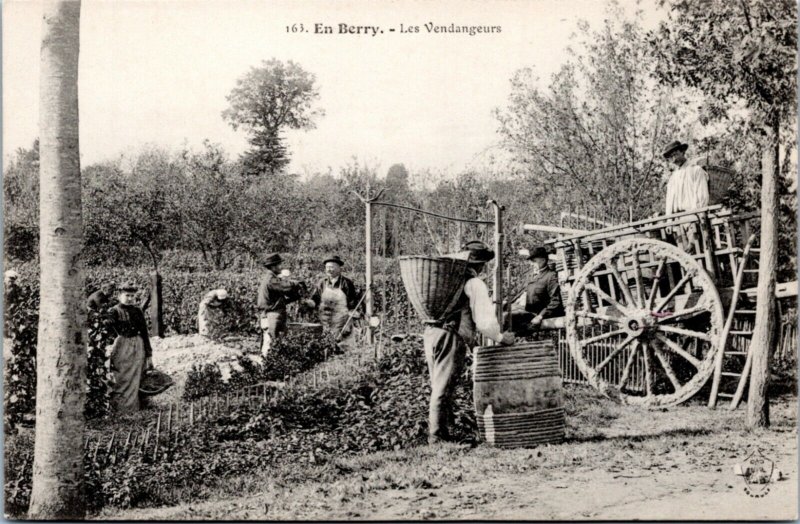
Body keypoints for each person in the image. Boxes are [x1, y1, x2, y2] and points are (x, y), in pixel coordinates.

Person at [423, 240, 515, 444]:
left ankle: (445, 432)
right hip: (451, 335)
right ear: (480, 265)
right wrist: (501, 337)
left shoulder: (446, 279)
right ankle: (437, 438)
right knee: (443, 388)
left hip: (431, 333)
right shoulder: (474, 283)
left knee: (437, 384)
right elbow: (484, 321)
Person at [107, 281, 153, 413]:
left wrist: (149, 353)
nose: (130, 298)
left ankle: (133, 409)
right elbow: (108, 331)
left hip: (138, 345)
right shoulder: (114, 311)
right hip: (122, 346)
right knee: (120, 376)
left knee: (136, 376)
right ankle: (119, 409)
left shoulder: (137, 311)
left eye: (133, 296)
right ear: (119, 295)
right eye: (127, 295)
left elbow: (144, 333)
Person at [662, 140, 710, 251]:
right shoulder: (672, 178)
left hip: (692, 218)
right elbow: (669, 202)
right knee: (683, 256)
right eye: (670, 157)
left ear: (683, 152)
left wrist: (696, 216)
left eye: (675, 154)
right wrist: (669, 222)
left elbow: (702, 196)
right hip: (677, 221)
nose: (673, 159)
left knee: (696, 250)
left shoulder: (696, 171)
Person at [306, 255, 362, 346]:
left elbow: (352, 302)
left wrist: (352, 315)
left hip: (342, 321)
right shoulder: (322, 282)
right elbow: (315, 298)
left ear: (339, 268)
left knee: (342, 346)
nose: (329, 270)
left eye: (332, 267)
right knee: (326, 344)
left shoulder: (346, 283)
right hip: (325, 320)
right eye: (327, 267)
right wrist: (309, 303)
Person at [256, 253, 303, 356]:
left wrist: (295, 296)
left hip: (271, 313)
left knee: (272, 340)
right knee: (271, 341)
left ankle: (267, 365)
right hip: (272, 314)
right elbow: (286, 287)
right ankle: (266, 367)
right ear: (273, 266)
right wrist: (297, 283)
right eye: (279, 265)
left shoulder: (271, 278)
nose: (281, 268)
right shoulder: (271, 279)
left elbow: (281, 298)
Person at [522, 246, 564, 331]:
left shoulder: (551, 276)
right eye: (531, 261)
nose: (531, 264)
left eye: (534, 261)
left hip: (545, 320)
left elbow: (555, 301)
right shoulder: (530, 276)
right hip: (530, 317)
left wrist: (541, 316)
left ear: (543, 260)